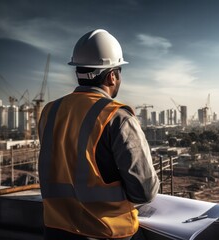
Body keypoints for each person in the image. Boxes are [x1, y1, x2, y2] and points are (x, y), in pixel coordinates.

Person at [38, 29, 159, 240]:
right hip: (107, 232)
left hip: (56, 230)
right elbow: (144, 191)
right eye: (119, 71)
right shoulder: (117, 117)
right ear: (112, 76)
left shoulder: (50, 112)